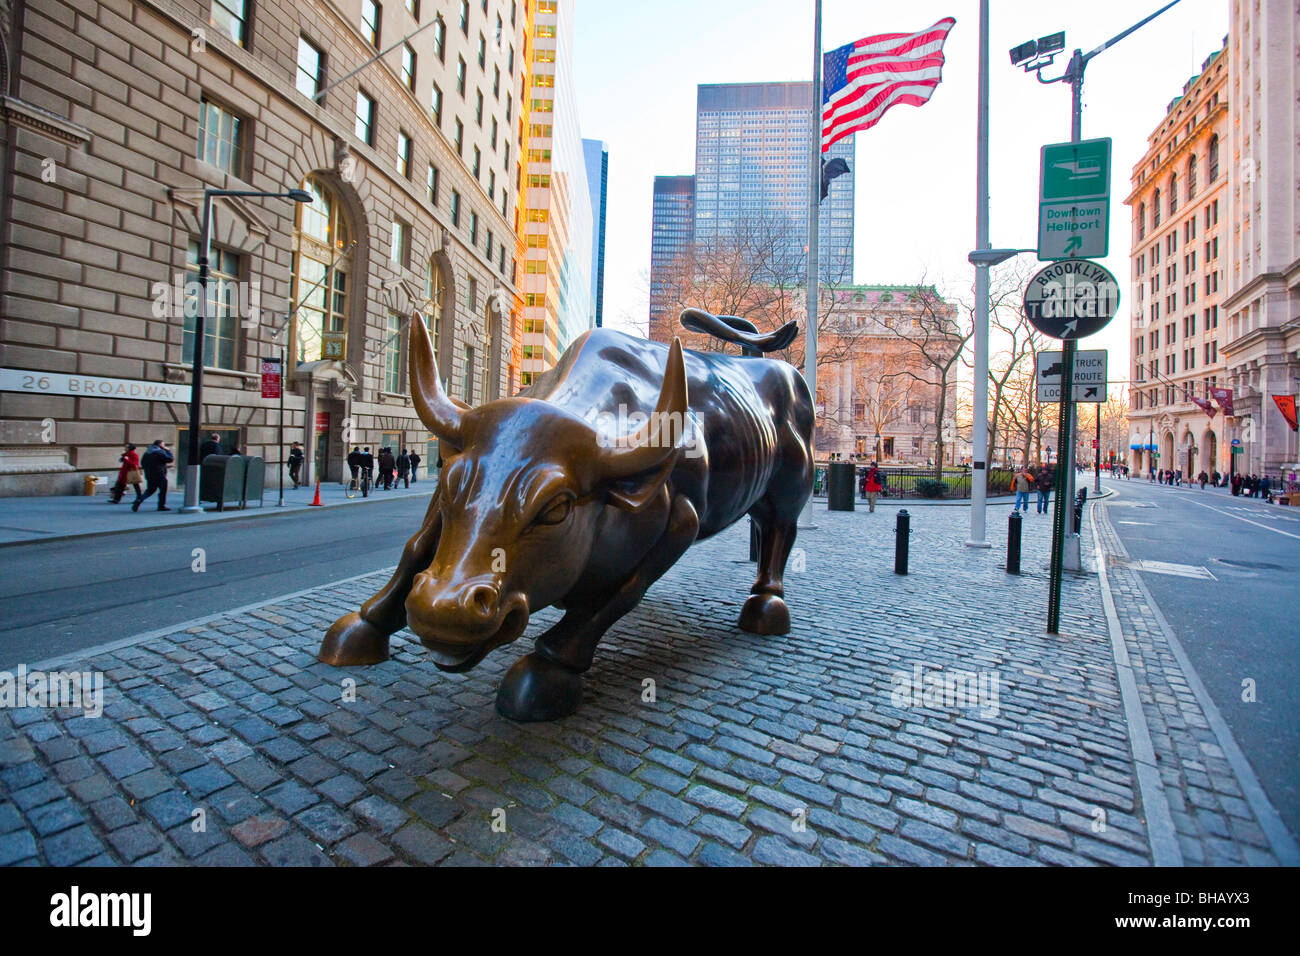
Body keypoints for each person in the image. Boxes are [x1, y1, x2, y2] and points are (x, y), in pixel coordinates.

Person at [132, 440, 173, 512]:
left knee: (150, 490)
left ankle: (139, 499)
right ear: (160, 444)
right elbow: (170, 459)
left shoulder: (147, 453)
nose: (164, 446)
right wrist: (168, 451)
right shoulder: (160, 452)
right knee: (163, 490)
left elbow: (143, 463)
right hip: (160, 474)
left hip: (149, 475)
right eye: (163, 444)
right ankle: (161, 506)